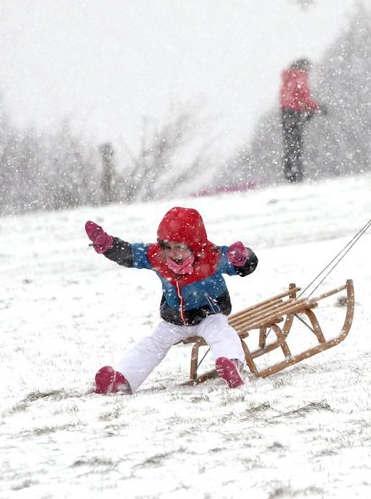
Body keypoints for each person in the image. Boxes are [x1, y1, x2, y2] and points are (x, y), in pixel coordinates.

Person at [84, 207, 259, 393]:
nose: (174, 253)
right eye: (168, 247)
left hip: (210, 315)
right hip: (175, 320)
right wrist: (108, 245)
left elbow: (242, 267)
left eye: (179, 247)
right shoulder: (157, 257)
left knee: (222, 333)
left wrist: (243, 259)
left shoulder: (211, 256)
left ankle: (232, 365)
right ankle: (121, 380)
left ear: (194, 245)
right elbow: (130, 254)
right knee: (152, 344)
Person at [279, 58, 323, 183]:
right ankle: (297, 173)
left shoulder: (287, 79)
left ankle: (289, 173)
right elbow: (304, 97)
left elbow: (290, 97)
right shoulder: (300, 77)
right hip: (295, 113)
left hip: (285, 113)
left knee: (289, 144)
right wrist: (316, 107)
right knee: (297, 144)